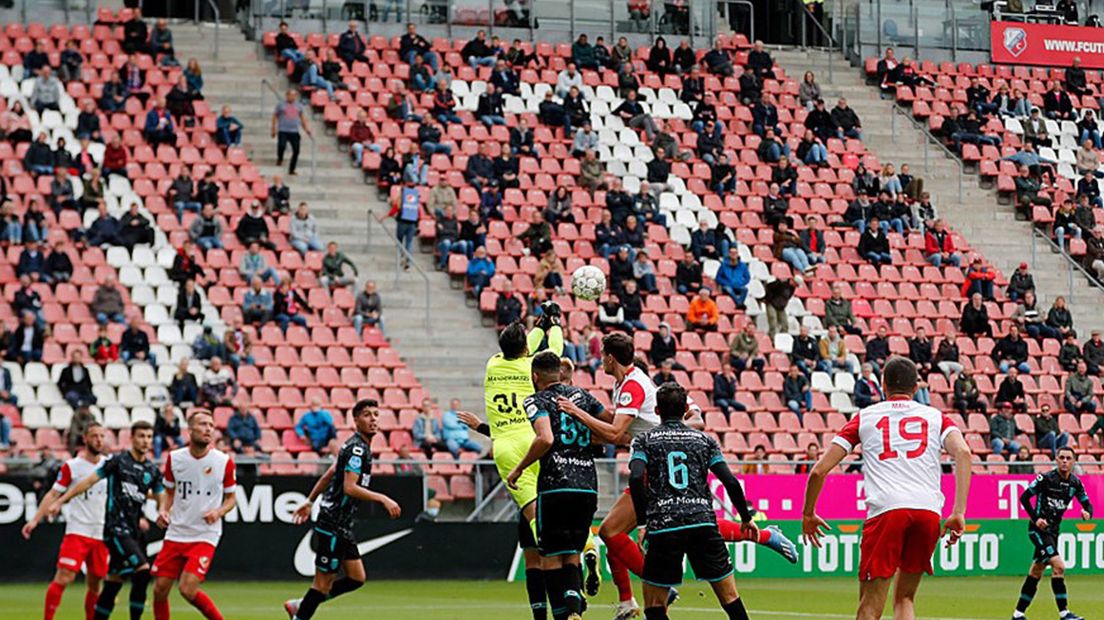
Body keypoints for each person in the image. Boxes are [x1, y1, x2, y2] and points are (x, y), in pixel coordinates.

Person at [558, 333, 798, 616]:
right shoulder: (628, 385)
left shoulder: (635, 387)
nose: (599, 360)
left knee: (615, 530)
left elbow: (616, 432)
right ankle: (627, 601)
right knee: (625, 531)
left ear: (610, 357)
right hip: (654, 463)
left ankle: (648, 592)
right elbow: (618, 429)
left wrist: (576, 413)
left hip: (654, 466)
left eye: (602, 355)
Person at [802, 357, 971, 620]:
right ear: (916, 387)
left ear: (883, 385)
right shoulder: (937, 418)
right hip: (928, 511)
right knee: (905, 598)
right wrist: (958, 511)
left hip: (887, 511)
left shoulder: (865, 417)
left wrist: (808, 513)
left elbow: (818, 471)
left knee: (870, 604)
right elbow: (963, 452)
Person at [500, 350, 602, 620]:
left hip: (555, 486)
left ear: (535, 376)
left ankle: (565, 613)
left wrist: (519, 468)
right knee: (572, 554)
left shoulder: (537, 400)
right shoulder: (583, 396)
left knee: (550, 558)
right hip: (587, 486)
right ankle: (574, 605)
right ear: (559, 373)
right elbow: (610, 424)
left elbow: (545, 439)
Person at [284, 400, 401, 620]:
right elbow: (349, 488)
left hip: (341, 523)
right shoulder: (357, 449)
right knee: (322, 584)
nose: (373, 419)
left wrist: (310, 501)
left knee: (356, 578)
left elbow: (330, 474)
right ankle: (301, 613)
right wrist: (382, 498)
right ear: (355, 420)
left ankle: (301, 605)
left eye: (376, 414)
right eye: (367, 415)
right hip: (333, 522)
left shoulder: (355, 446)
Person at [46, 421, 166, 620]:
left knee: (113, 581)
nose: (145, 441)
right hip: (115, 529)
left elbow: (160, 495)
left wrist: (162, 510)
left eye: (149, 437)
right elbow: (88, 482)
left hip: (134, 531)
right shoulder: (118, 462)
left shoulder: (151, 470)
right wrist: (61, 501)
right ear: (132, 438)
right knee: (143, 572)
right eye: (141, 436)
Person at [149, 409, 235, 620]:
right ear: (190, 430)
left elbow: (232, 499)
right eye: (203, 424)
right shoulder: (175, 459)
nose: (208, 429)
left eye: (211, 425)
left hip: (205, 534)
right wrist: (163, 511)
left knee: (187, 588)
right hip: (177, 531)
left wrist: (219, 511)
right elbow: (169, 493)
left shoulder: (223, 461)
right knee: (159, 590)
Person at [21, 423, 108, 620]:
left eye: (102, 436)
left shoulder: (109, 464)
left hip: (102, 532)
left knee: (96, 583)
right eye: (94, 436)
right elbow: (53, 493)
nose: (99, 440)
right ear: (85, 439)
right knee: (64, 577)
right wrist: (35, 519)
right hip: (78, 530)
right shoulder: (72, 466)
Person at [1010, 447, 1093, 620]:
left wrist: (1087, 512)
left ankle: (1018, 614)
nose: (1064, 461)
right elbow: (1024, 498)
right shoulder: (1046, 479)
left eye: (1068, 458)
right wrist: (1036, 518)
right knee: (1059, 566)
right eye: (1061, 457)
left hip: (1053, 532)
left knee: (1036, 571)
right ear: (1056, 460)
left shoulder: (1075, 483)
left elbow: (1087, 503)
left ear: (1073, 461)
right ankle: (1064, 613)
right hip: (1038, 530)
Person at [272, 90, 312, 175]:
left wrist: (306, 128)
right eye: (291, 95)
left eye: (294, 96)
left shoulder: (299, 106)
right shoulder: (281, 105)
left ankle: (292, 169)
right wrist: (273, 128)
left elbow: (302, 118)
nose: (292, 97)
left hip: (294, 131)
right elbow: (275, 116)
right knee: (281, 145)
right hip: (283, 130)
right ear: (287, 95)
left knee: (296, 150)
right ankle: (280, 158)